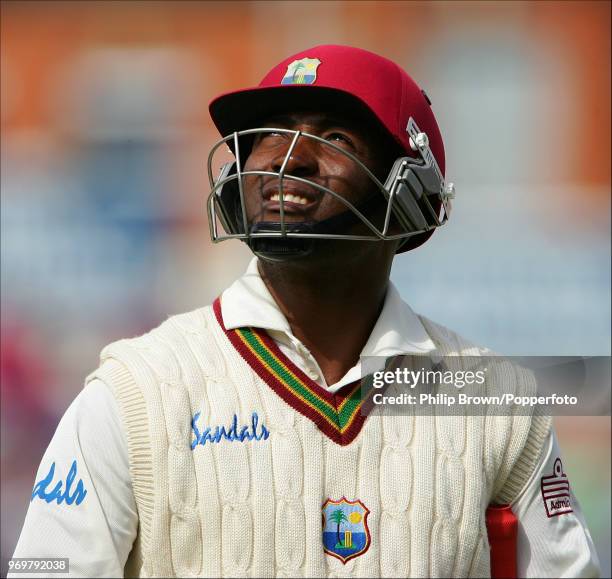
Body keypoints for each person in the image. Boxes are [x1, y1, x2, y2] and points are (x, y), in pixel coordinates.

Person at [10, 44, 599, 578]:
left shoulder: (495, 403)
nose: (288, 159)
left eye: (335, 138)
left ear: (409, 189)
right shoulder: (137, 389)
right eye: (269, 134)